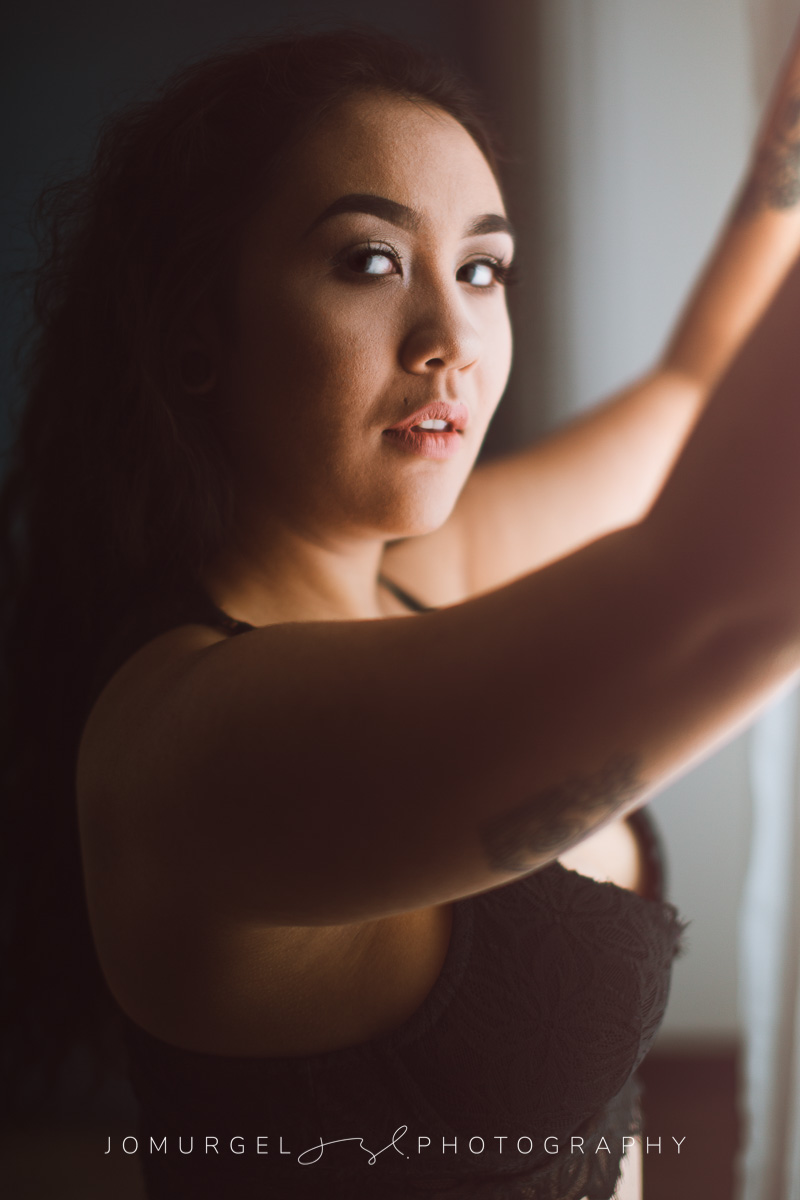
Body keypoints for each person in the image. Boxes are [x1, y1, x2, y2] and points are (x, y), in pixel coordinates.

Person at [4, 21, 800, 1200]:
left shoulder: (419, 573)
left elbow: (688, 400)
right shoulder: (190, 744)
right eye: (368, 262)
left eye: (481, 270)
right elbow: (719, 597)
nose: (452, 343)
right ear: (193, 335)